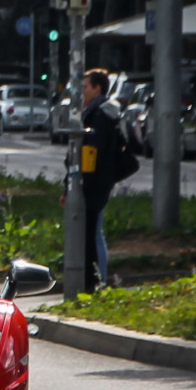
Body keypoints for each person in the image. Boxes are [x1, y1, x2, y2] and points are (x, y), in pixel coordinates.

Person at [60, 68, 122, 290]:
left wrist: (74, 184)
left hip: (93, 182)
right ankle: (98, 279)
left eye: (85, 87)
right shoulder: (103, 111)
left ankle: (95, 281)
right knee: (95, 231)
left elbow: (89, 151)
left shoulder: (99, 115)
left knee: (93, 233)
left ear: (97, 88)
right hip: (99, 180)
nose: (81, 92)